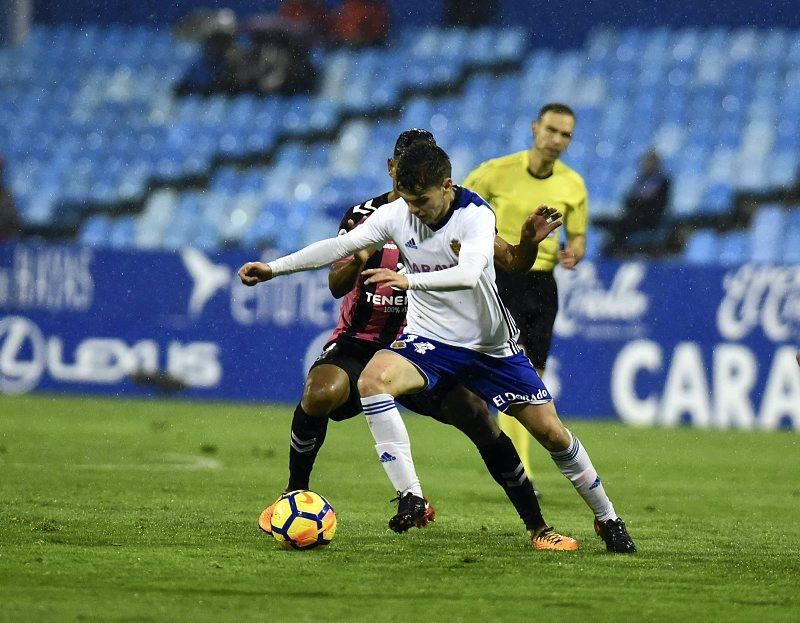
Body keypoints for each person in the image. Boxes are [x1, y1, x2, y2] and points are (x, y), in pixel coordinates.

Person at [239, 141, 636, 553]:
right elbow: (336, 248)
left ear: (446, 186)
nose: (414, 210)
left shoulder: (475, 215)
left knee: (552, 434)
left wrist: (409, 281)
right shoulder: (397, 213)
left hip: (489, 346)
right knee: (374, 380)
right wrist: (273, 269)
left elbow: (468, 274)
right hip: (430, 340)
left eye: (422, 201)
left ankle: (607, 518)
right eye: (408, 201)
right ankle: (410, 495)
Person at [462, 102, 586, 484]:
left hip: (542, 286)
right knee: (511, 375)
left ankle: (515, 462)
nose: (556, 140)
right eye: (551, 130)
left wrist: (575, 251)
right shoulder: (495, 173)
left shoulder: (573, 185)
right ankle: (522, 469)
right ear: (535, 129)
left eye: (565, 134)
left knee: (533, 379)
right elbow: (457, 210)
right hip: (500, 280)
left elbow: (578, 237)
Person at [606, 149, 671, 255]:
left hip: (651, 219)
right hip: (636, 217)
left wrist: (639, 201)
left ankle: (617, 255)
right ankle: (612, 257)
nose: (646, 165)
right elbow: (628, 199)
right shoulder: (641, 180)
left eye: (649, 162)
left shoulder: (662, 181)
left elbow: (657, 203)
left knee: (620, 226)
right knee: (613, 226)